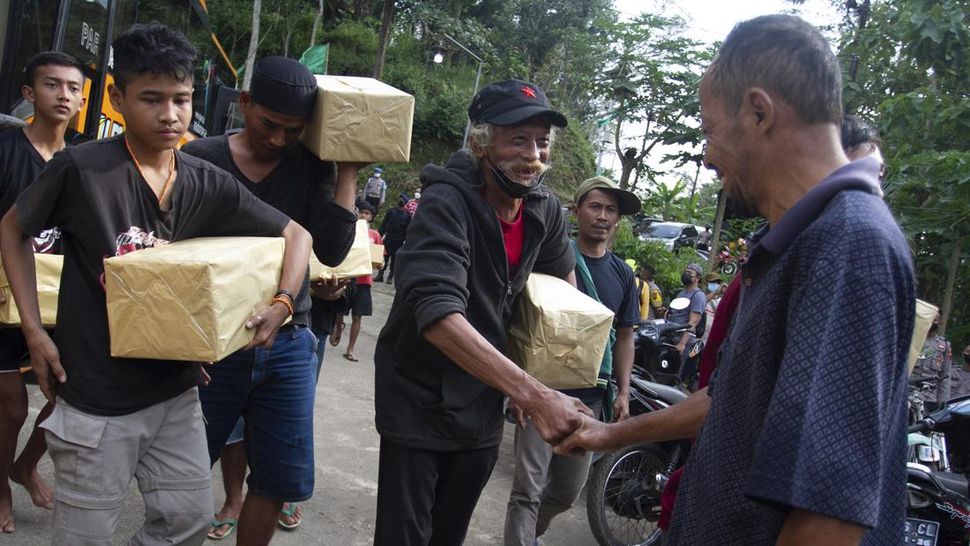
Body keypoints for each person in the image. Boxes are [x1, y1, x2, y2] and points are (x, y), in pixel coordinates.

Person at [556, 15, 915, 545]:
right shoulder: (795, 240)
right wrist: (609, 432)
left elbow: (827, 518)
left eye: (709, 129)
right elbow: (730, 401)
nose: (707, 152)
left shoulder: (848, 247)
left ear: (758, 112)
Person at [0, 23, 313, 545]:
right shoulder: (85, 169)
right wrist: (34, 331)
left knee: (187, 522)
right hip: (95, 398)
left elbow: (295, 233)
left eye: (182, 99)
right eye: (151, 99)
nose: (170, 115)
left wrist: (281, 303)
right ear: (118, 99)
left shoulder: (203, 180)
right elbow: (12, 228)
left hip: (176, 395)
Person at [372, 79, 591, 545]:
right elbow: (436, 314)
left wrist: (538, 371)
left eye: (542, 141)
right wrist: (531, 392)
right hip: (418, 396)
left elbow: (560, 294)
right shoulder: (445, 202)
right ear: (481, 144)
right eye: (518, 139)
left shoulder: (544, 209)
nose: (532, 154)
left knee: (448, 535)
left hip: (483, 401)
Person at [181, 55, 359, 540]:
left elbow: (333, 247)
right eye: (269, 125)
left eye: (293, 130)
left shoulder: (310, 168)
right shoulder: (200, 157)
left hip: (288, 342)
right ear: (244, 104)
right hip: (210, 344)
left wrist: (347, 172)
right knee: (182, 470)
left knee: (278, 478)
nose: (279, 139)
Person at [504, 175, 640, 545]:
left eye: (611, 210)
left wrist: (624, 390)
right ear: (577, 210)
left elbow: (625, 336)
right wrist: (518, 387)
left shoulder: (623, 275)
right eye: (595, 206)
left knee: (565, 492)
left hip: (591, 398)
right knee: (527, 490)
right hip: (543, 391)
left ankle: (529, 534)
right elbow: (524, 323)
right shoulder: (552, 257)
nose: (603, 216)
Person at [0, 51, 85, 535]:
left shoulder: (83, 159)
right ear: (30, 94)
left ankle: (25, 465)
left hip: (60, 303)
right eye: (53, 86)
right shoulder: (6, 151)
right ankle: (0, 488)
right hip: (3, 300)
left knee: (69, 396)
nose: (65, 96)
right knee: (10, 408)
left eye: (73, 88)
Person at [336, 200, 382, 362]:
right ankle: (338, 327)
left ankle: (350, 349)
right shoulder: (351, 229)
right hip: (348, 277)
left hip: (364, 281)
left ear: (371, 217)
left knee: (358, 316)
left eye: (367, 213)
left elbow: (379, 258)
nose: (364, 215)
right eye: (361, 212)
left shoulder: (375, 235)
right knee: (339, 311)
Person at [911, 313, 952, 411]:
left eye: (936, 319)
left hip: (930, 398)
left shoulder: (944, 345)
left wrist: (943, 403)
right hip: (908, 394)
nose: (934, 321)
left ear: (940, 322)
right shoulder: (911, 340)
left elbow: (945, 376)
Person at [667, 263, 707, 352]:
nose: (686, 274)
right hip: (670, 336)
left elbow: (693, 322)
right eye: (685, 272)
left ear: (697, 278)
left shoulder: (698, 296)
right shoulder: (681, 293)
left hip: (681, 340)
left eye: (690, 273)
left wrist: (682, 343)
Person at [373, 193, 411, 284]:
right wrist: (380, 235)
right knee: (384, 257)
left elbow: (408, 228)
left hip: (399, 240)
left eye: (403, 200)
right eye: (400, 199)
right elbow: (384, 223)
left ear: (405, 202)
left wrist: (407, 240)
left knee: (395, 259)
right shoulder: (391, 211)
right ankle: (380, 275)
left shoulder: (408, 215)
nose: (401, 201)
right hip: (389, 237)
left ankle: (390, 277)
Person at [700, 272, 723, 344]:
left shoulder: (721, 301)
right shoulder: (699, 296)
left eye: (718, 282)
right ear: (706, 283)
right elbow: (702, 302)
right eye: (713, 282)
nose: (716, 284)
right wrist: (715, 292)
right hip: (697, 336)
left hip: (709, 339)